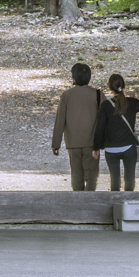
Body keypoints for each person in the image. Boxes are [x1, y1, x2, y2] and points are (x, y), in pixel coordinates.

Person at [94, 72, 139, 192]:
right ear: (124, 85)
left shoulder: (105, 105)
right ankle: (128, 204)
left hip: (111, 148)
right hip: (129, 147)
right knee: (129, 179)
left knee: (114, 180)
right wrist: (136, 98)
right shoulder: (131, 102)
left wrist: (95, 148)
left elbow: (99, 128)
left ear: (110, 87)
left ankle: (115, 204)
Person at [52, 62, 104, 191]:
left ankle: (78, 200)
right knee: (91, 175)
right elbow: (106, 118)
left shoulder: (67, 95)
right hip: (92, 142)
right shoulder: (98, 94)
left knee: (76, 174)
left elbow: (60, 120)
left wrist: (56, 143)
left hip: (73, 143)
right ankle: (89, 201)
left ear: (73, 78)